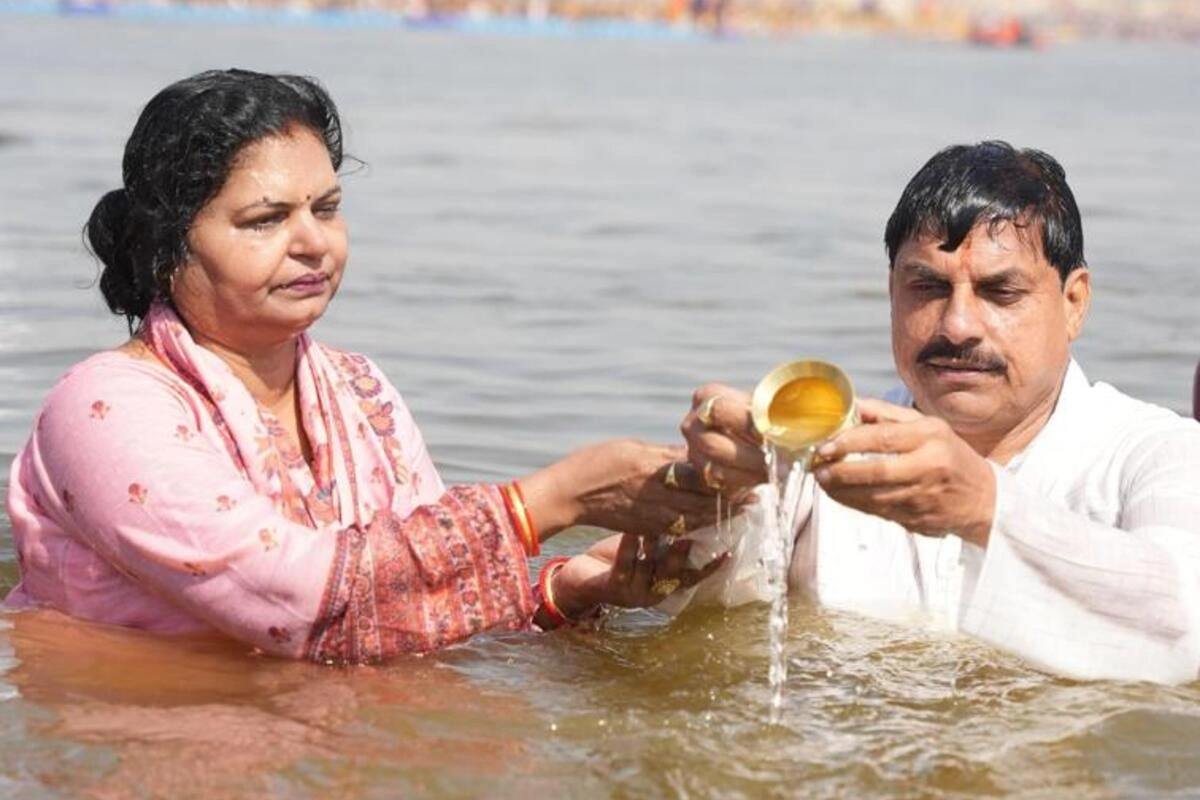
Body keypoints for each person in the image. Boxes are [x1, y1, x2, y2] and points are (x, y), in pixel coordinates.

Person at [5, 69, 727, 663]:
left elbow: (407, 597)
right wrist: (556, 499)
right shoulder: (106, 407)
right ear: (168, 246)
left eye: (327, 208)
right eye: (265, 219)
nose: (313, 243)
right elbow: (289, 602)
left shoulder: (358, 389)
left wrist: (569, 592)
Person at [680, 141, 1200, 683]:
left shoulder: (1160, 453)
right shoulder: (829, 450)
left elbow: (1189, 621)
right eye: (927, 287)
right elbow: (684, 596)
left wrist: (982, 505)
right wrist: (715, 486)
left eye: (1000, 292)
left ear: (1074, 304)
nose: (956, 326)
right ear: (891, 293)